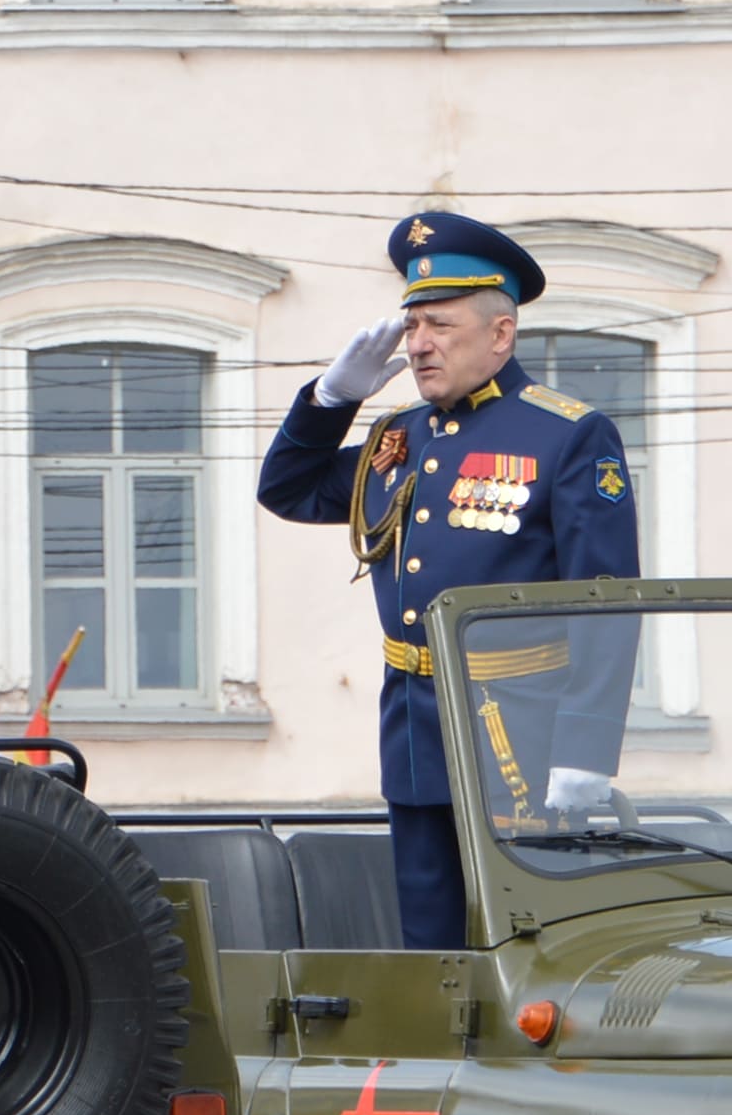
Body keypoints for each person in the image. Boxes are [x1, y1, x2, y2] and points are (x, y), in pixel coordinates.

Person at [262, 211, 639, 948]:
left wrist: (585, 749)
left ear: (501, 335)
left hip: (519, 740)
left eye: (440, 324)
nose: (419, 344)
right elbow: (289, 490)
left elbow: (607, 604)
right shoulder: (401, 437)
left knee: (526, 943)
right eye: (413, 325)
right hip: (415, 726)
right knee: (431, 943)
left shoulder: (564, 434)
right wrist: (330, 403)